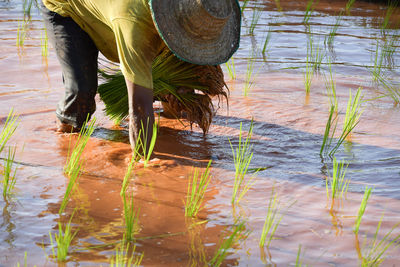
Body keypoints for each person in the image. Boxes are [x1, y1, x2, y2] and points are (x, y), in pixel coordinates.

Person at [40, 0, 241, 152]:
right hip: (66, 10)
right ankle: (65, 140)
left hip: (114, 15)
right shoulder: (134, 23)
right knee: (81, 92)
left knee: (173, 77)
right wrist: (143, 165)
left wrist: (176, 94)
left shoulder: (184, 11)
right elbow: (139, 106)